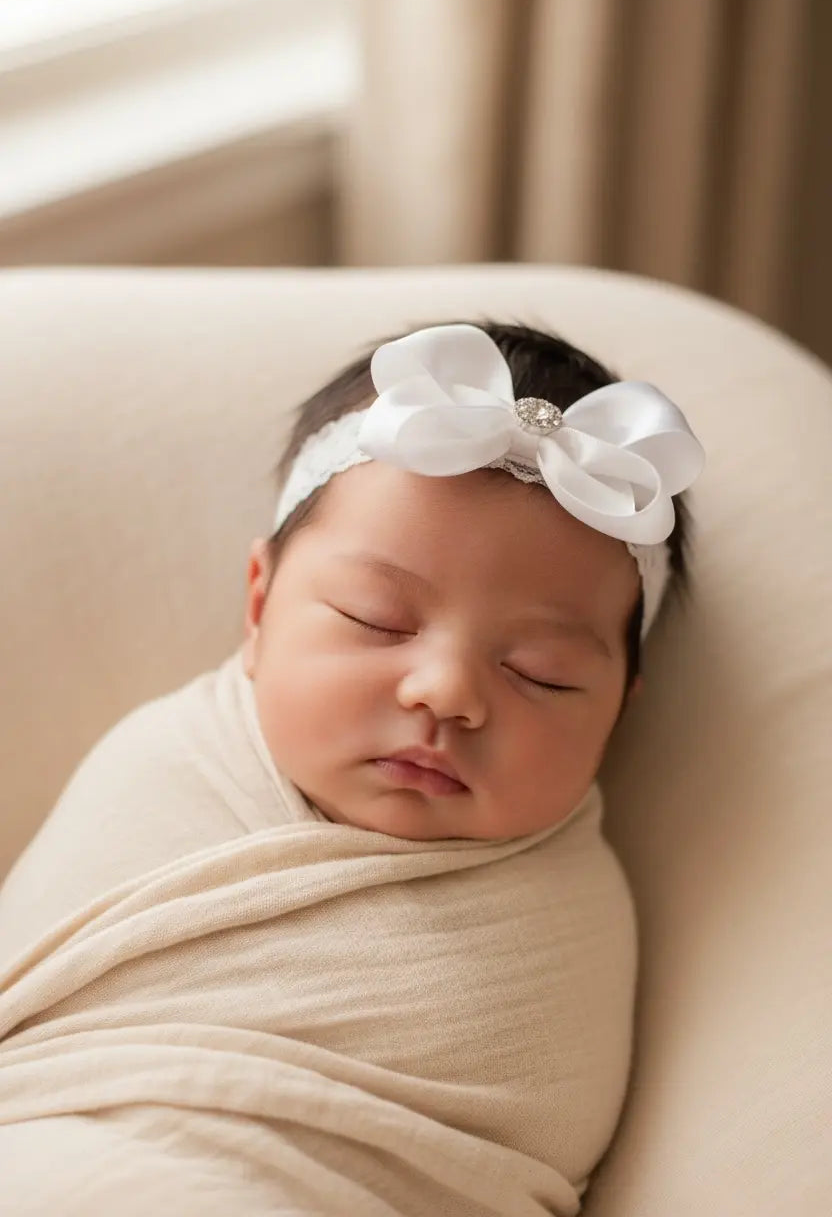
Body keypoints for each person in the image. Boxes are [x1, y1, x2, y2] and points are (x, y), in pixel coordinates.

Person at [0, 321, 704, 1217]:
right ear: (259, 606)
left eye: (540, 674)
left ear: (618, 711)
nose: (447, 692)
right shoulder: (168, 764)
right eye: (377, 619)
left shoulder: (563, 920)